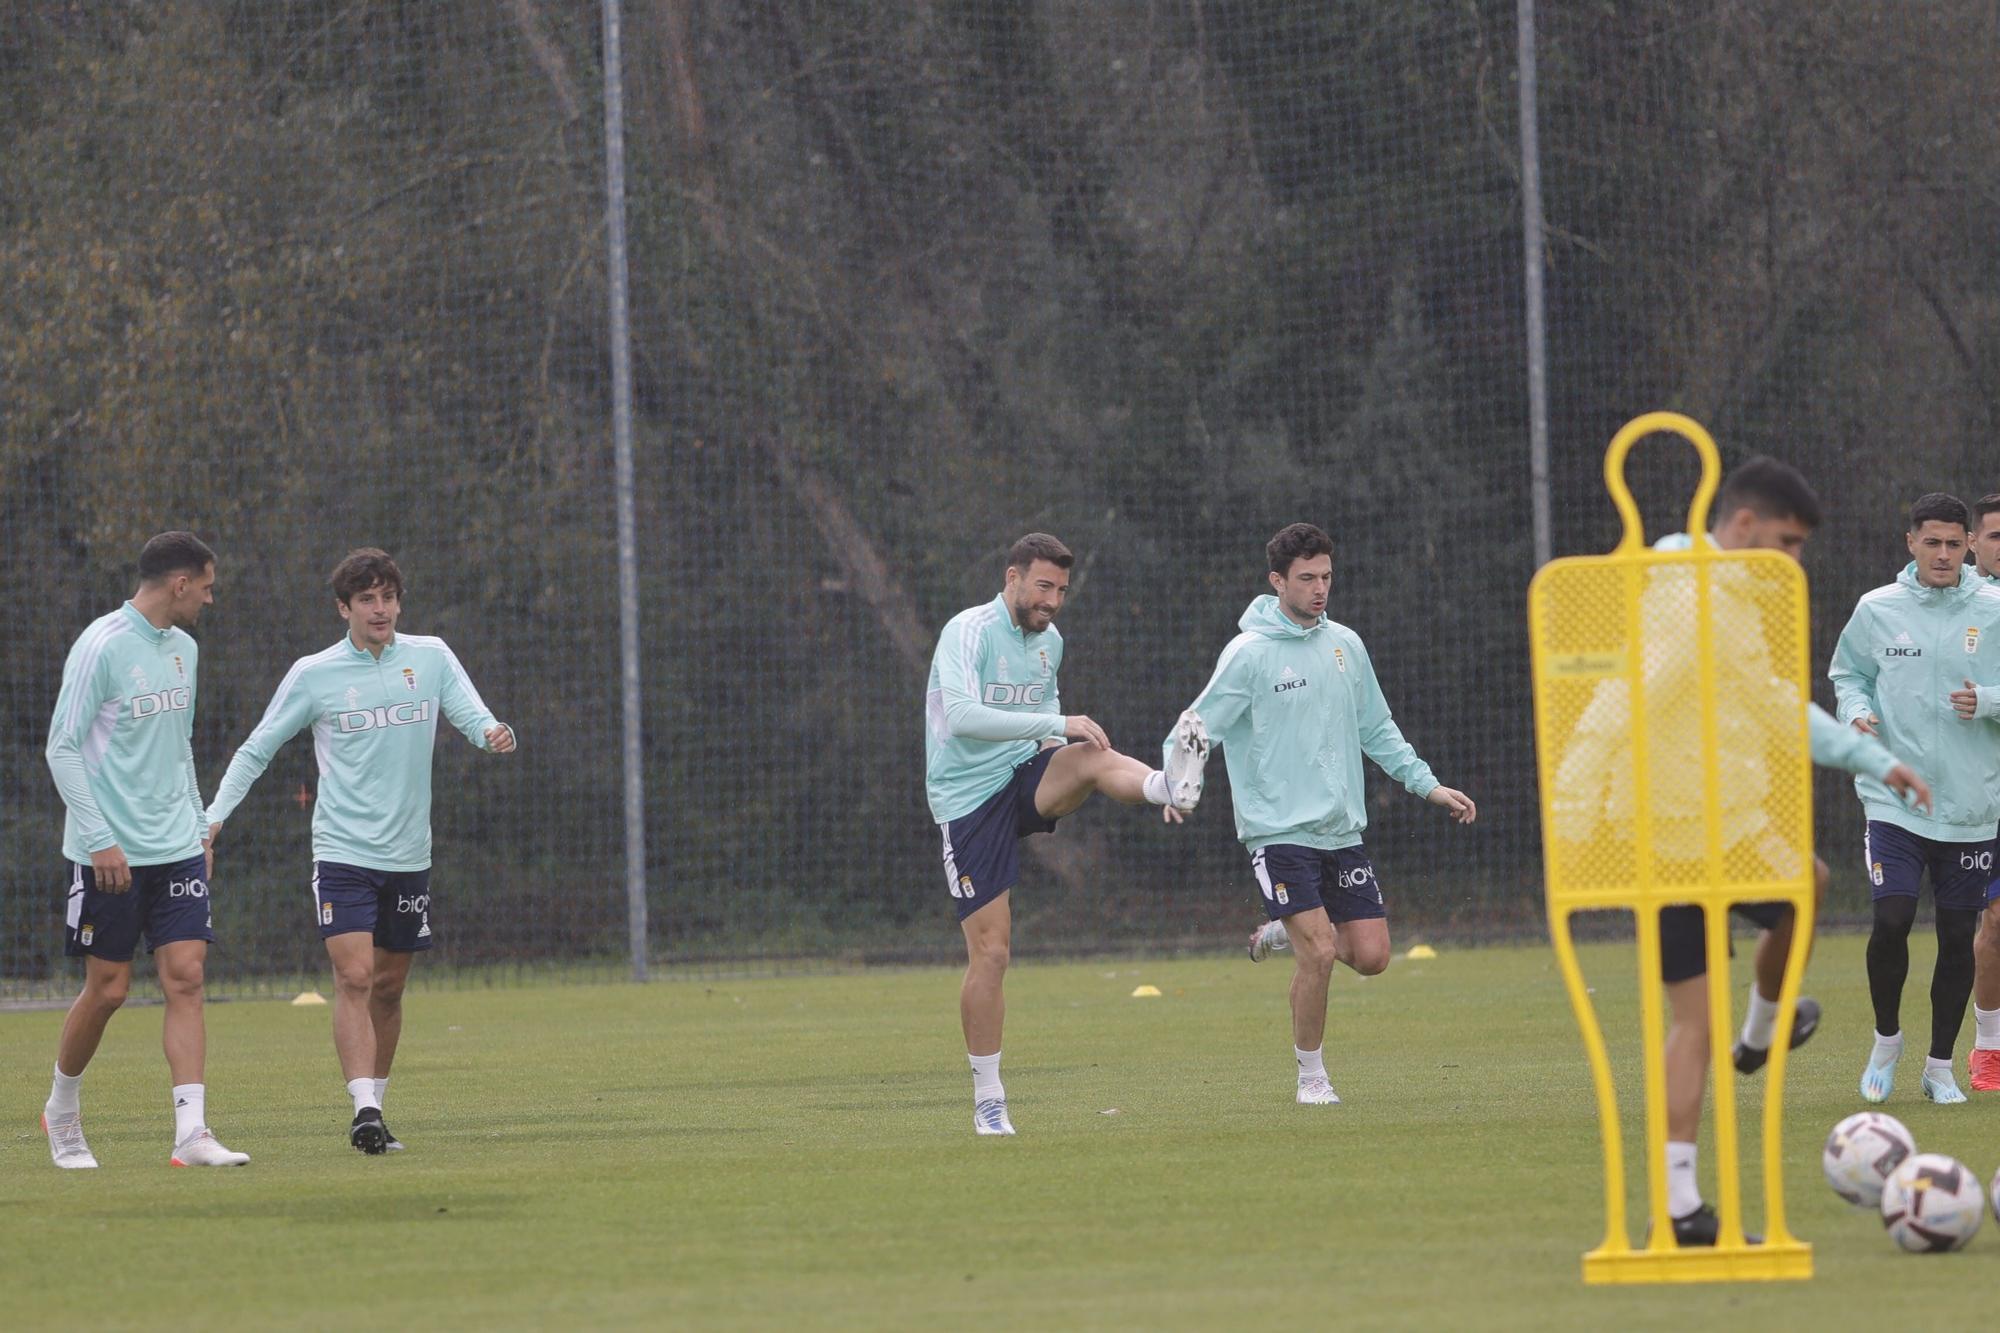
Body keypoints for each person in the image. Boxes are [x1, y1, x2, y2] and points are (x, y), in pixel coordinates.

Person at [1547, 458, 1930, 1244]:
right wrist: (1574, 813)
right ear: (1745, 528)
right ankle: (1687, 1195)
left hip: (1727, 826)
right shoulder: (1687, 600)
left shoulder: (1728, 601)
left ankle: (1758, 1037)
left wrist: (1874, 758)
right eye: (1786, 543)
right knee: (1696, 1014)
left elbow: (1771, 704)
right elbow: (1620, 703)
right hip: (1673, 835)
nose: (1792, 562)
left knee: (1807, 886)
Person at [204, 549, 516, 1153]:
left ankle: (377, 1103)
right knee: (354, 975)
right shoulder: (314, 673)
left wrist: (495, 734)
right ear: (343, 608)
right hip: (342, 852)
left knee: (390, 987)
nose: (381, 609)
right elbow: (256, 749)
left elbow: (476, 717)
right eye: (368, 599)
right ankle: (364, 1109)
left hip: (409, 855)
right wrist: (211, 820)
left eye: (389, 597)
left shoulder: (430, 657)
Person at [1168, 522, 1476, 1106]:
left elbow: (1377, 728)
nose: (1319, 589)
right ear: (1277, 581)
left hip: (1341, 831)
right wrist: (1178, 785)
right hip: (1277, 830)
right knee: (1320, 950)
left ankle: (1275, 933)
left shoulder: (1346, 645)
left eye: (1326, 577)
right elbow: (1196, 725)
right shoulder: (1249, 654)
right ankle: (1311, 1077)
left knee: (1372, 957)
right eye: (1306, 578)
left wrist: (1428, 785)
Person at [925, 532, 1203, 1136]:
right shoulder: (967, 632)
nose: (1052, 601)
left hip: (1021, 775)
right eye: (1043, 586)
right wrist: (1059, 722)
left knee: (1087, 754)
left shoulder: (1050, 641)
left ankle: (1167, 785)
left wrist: (1061, 739)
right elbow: (964, 717)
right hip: (968, 800)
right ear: (1012, 579)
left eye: (1061, 590)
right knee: (993, 953)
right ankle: (989, 1098)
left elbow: (1052, 732)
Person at [41, 531, 249, 1169]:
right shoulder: (101, 645)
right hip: (110, 855)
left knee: (186, 978)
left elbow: (179, 746)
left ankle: (192, 1134)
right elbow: (62, 747)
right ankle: (61, 1111)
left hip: (176, 848)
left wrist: (196, 826)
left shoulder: (185, 649)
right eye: (207, 587)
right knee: (107, 991)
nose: (210, 600)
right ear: (180, 583)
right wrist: (101, 840)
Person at [1832, 493, 2000, 1106]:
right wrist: (1855, 713)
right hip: (1894, 798)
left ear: (1969, 547)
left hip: (1970, 807)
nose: (1944, 554)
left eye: (1955, 544)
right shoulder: (1878, 609)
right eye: (1933, 542)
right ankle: (1886, 1041)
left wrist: (1986, 701)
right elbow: (1850, 674)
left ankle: (1939, 1067)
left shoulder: (1994, 607)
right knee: (1892, 919)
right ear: (1911, 543)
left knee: (1958, 940)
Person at [1958, 494, 2000, 1088]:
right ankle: (1989, 1046)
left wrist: (1987, 701)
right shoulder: (1953, 606)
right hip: (1984, 788)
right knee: (1996, 922)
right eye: (1995, 536)